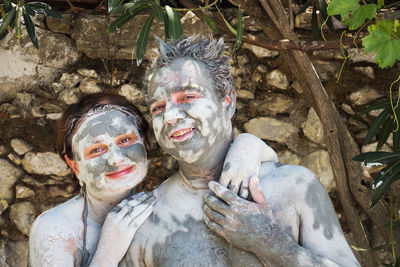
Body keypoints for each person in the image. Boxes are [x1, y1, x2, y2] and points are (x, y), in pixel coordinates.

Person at [120, 36, 360, 266]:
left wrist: (270, 242)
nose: (170, 116)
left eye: (188, 97)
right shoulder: (144, 220)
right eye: (158, 107)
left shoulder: (294, 186)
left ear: (228, 100)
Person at [28, 93, 273, 266]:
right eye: (97, 150)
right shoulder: (55, 230)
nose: (116, 159)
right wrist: (106, 256)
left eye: (125, 140)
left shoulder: (159, 202)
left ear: (144, 143)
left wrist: (248, 146)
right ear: (74, 165)